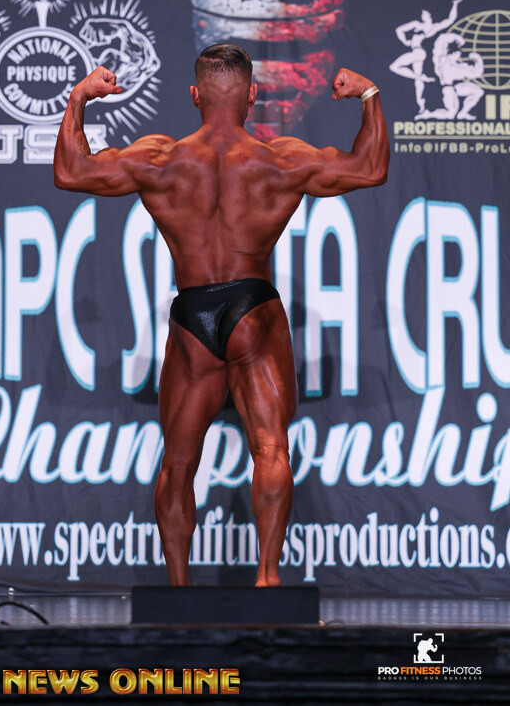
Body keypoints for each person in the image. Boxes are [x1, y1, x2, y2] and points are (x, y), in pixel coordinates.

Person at [54, 44, 389, 587]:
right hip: (253, 306)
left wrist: (79, 98)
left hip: (193, 313)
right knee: (271, 447)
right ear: (253, 96)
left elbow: (71, 172)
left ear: (195, 96)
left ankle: (179, 591)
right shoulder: (280, 159)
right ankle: (267, 579)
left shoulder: (159, 158)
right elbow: (370, 168)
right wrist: (369, 95)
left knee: (178, 462)